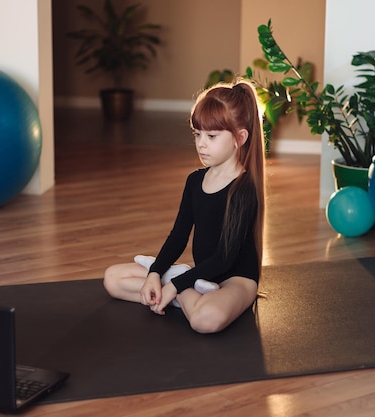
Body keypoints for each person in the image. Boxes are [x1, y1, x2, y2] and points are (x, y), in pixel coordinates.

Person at [103, 79, 266, 334]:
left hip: (235, 280)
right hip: (200, 276)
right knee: (113, 280)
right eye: (197, 134)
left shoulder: (244, 189)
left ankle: (179, 291)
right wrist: (156, 272)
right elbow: (178, 236)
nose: (201, 143)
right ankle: (183, 289)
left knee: (205, 320)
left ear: (240, 138)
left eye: (211, 136)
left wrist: (174, 285)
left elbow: (225, 258)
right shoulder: (195, 180)